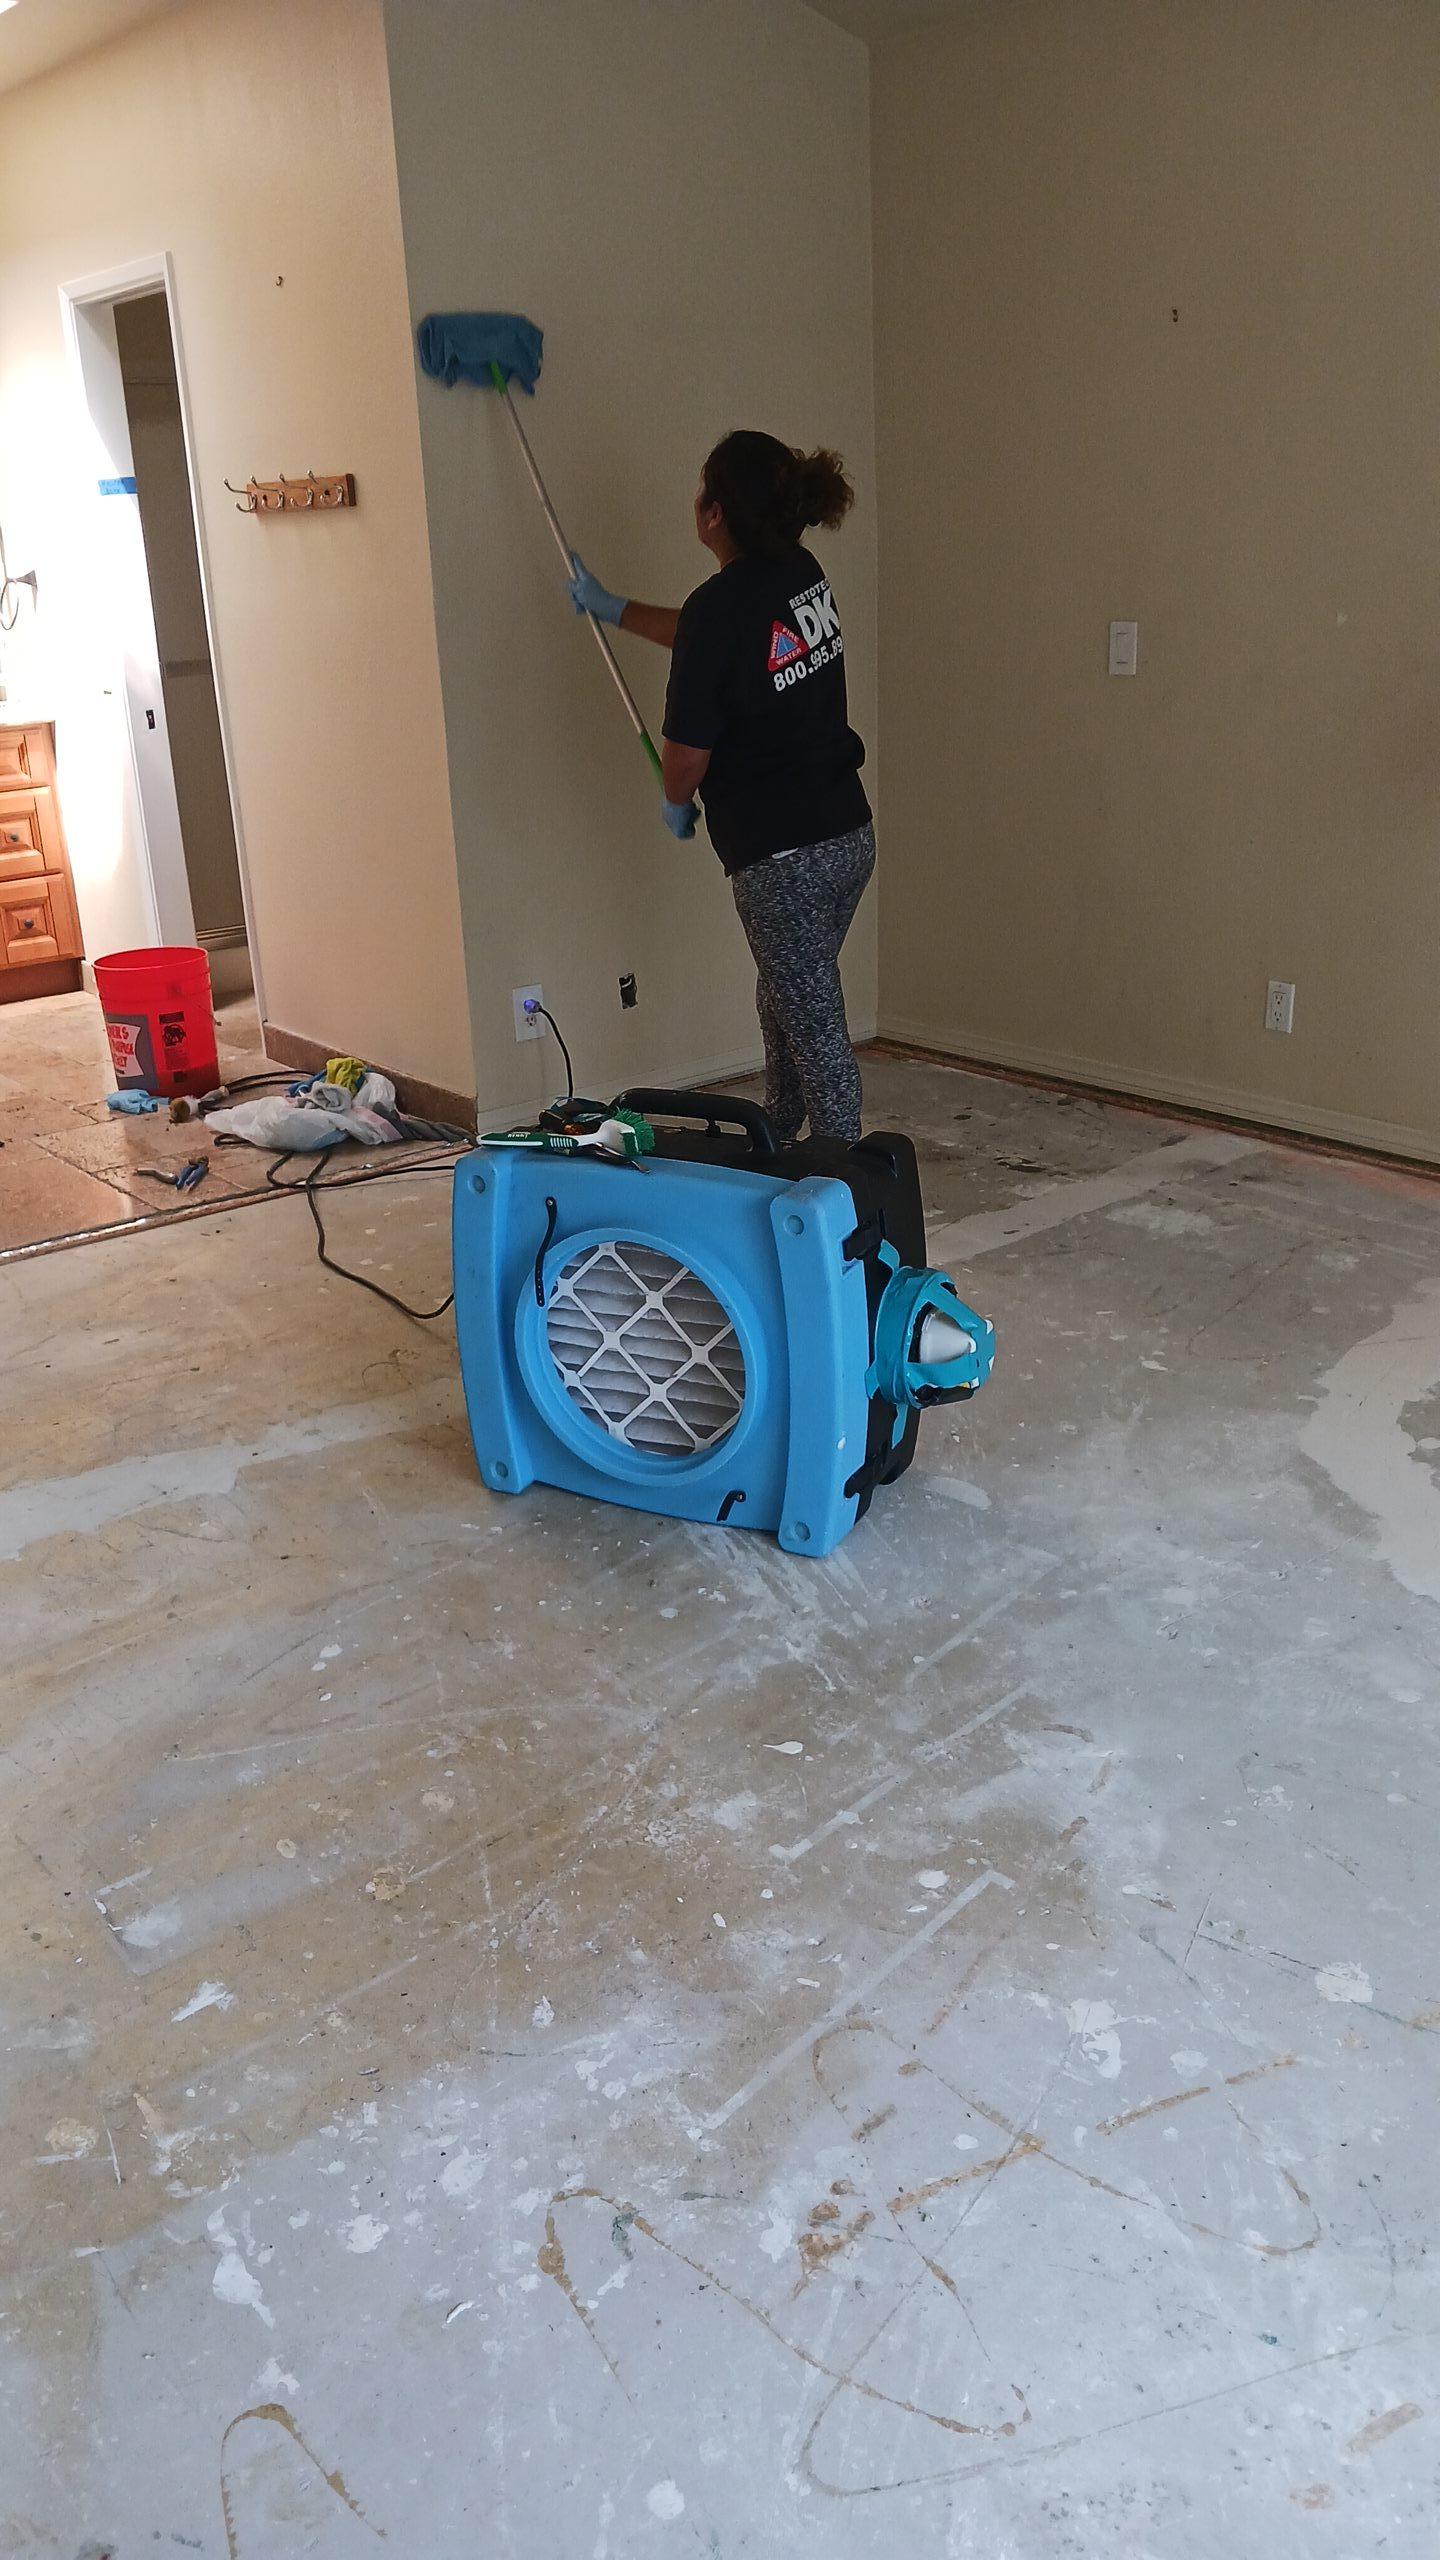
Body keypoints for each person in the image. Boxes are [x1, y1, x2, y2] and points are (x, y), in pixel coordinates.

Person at [567, 429, 874, 1146]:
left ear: (713, 513)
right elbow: (712, 636)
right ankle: (778, 1127)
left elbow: (684, 756)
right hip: (847, 837)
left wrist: (675, 801)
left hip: (782, 861)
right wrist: (613, 609)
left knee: (816, 1028)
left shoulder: (724, 608)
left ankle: (843, 1187)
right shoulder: (801, 572)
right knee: (788, 994)